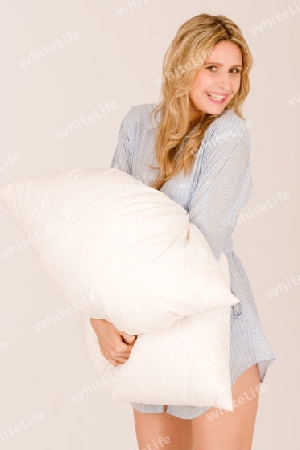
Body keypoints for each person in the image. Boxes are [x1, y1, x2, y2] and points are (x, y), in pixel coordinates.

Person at [90, 13, 275, 450]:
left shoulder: (228, 135)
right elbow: (109, 225)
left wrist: (127, 312)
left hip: (212, 329)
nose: (225, 84)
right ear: (182, 64)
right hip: (147, 336)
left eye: (235, 70)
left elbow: (199, 245)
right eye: (212, 67)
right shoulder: (138, 123)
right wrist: (100, 316)